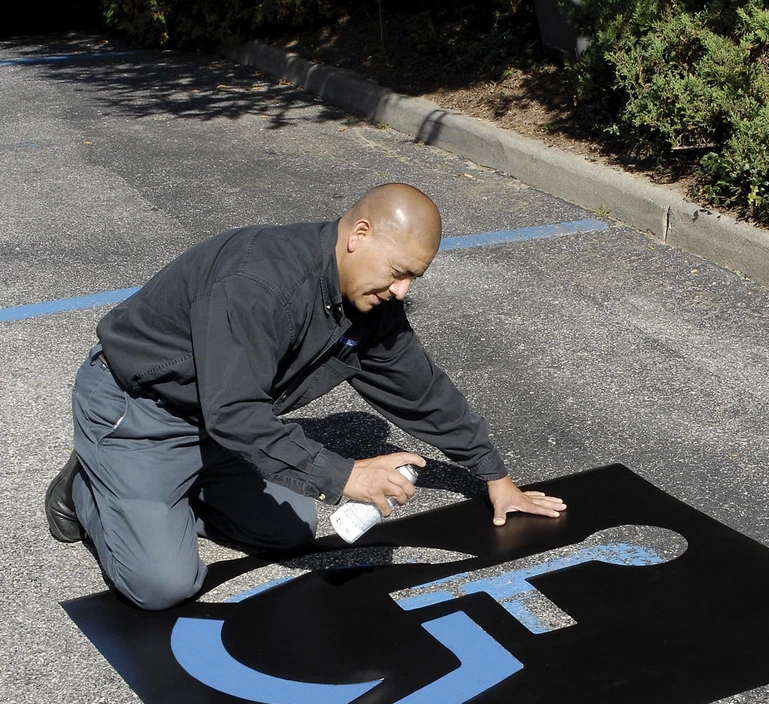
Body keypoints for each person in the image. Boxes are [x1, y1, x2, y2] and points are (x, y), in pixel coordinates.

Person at [45, 183, 566, 610]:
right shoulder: (257, 283)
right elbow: (237, 412)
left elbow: (421, 390)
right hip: (140, 413)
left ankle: (161, 499)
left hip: (220, 423)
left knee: (290, 530)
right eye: (399, 272)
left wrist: (494, 476)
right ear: (359, 234)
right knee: (163, 586)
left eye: (415, 278)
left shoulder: (368, 301)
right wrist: (346, 476)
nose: (404, 290)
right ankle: (89, 487)